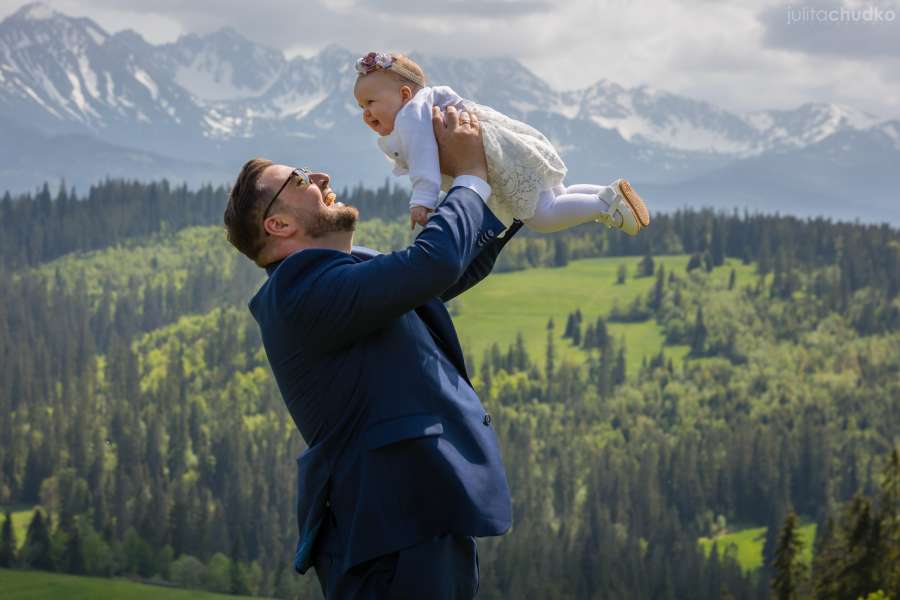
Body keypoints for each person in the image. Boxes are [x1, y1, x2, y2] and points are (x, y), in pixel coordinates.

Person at [223, 106, 519, 599]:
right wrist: (469, 179)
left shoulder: (336, 277)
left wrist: (508, 195)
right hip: (392, 538)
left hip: (412, 524)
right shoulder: (300, 293)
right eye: (298, 178)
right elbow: (433, 263)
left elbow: (442, 274)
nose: (318, 176)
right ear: (277, 225)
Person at [353, 51, 651, 234]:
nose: (366, 113)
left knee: (542, 216)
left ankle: (604, 206)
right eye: (361, 107)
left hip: (497, 160)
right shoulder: (431, 99)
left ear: (405, 95)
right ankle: (606, 192)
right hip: (506, 146)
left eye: (370, 102)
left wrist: (423, 200)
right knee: (555, 194)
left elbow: (423, 155)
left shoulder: (412, 116)